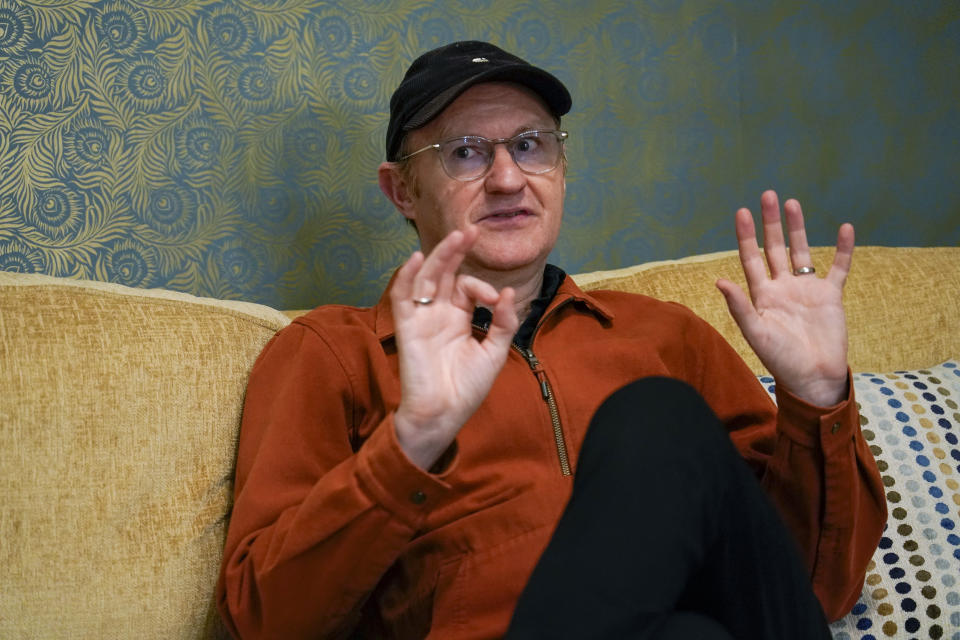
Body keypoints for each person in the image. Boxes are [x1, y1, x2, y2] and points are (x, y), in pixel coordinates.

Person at [216, 41, 886, 639]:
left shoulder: (666, 337)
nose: (509, 179)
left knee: (659, 427)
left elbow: (815, 590)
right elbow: (264, 622)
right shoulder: (332, 353)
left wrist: (817, 398)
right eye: (465, 152)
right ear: (403, 192)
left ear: (562, 168)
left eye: (532, 144)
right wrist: (412, 441)